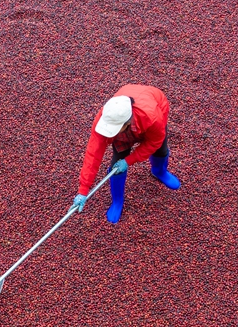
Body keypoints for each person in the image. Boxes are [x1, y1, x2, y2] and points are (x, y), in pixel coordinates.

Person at [72, 85, 181, 223]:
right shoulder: (105, 118)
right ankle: (117, 201)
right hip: (132, 121)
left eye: (114, 129)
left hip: (154, 109)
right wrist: (83, 190)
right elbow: (93, 154)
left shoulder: (153, 117)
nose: (110, 132)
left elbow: (154, 142)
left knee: (160, 150)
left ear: (127, 123)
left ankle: (159, 171)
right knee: (116, 168)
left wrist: (129, 161)